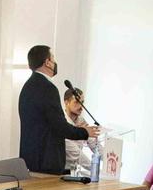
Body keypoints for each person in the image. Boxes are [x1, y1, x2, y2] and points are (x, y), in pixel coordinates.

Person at [18, 45, 96, 175]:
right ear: (47, 62)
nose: (55, 62)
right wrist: (84, 132)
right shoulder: (48, 88)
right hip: (46, 162)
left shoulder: (27, 86)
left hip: (30, 160)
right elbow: (59, 126)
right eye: (53, 58)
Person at [62, 87, 95, 174]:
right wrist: (95, 169)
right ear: (66, 103)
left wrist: (109, 159)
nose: (81, 106)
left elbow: (93, 143)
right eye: (76, 102)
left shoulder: (81, 121)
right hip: (60, 171)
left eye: (82, 102)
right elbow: (75, 154)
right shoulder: (61, 121)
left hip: (74, 170)